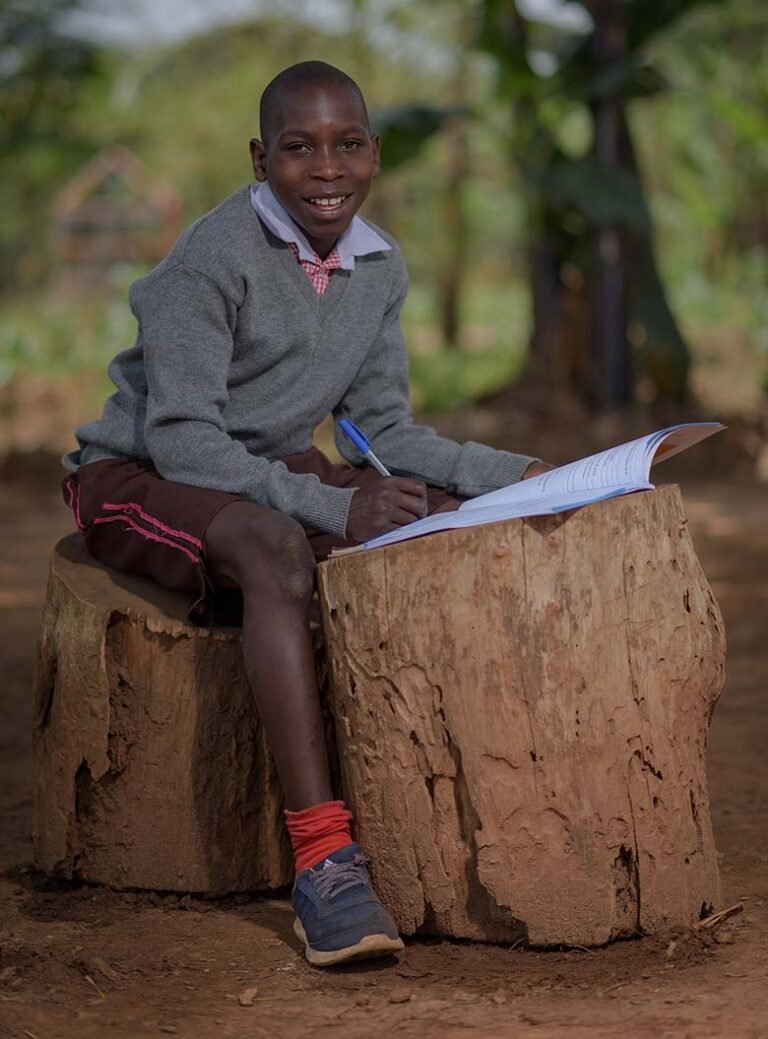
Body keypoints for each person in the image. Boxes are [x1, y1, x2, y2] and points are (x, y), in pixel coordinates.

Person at [62, 60, 547, 968]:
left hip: (261, 463)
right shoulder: (212, 259)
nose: (327, 168)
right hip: (138, 473)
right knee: (279, 550)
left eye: (348, 144)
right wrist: (329, 500)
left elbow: (381, 427)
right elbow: (186, 443)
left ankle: (424, 810)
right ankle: (325, 858)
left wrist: (516, 472)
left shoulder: (379, 265)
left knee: (425, 517)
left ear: (373, 152)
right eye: (299, 148)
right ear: (261, 158)